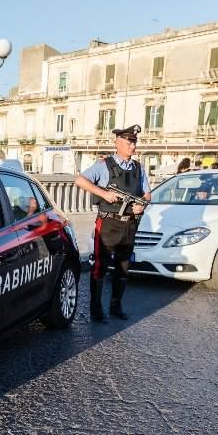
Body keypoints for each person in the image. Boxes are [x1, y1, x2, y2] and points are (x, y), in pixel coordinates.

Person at [75, 124, 151, 322]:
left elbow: (147, 193)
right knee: (100, 266)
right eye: (128, 142)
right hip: (108, 223)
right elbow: (80, 181)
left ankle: (116, 306)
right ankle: (96, 310)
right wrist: (104, 194)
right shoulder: (104, 165)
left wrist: (142, 205)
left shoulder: (138, 168)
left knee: (123, 267)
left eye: (134, 142)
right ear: (117, 142)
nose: (132, 147)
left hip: (129, 224)